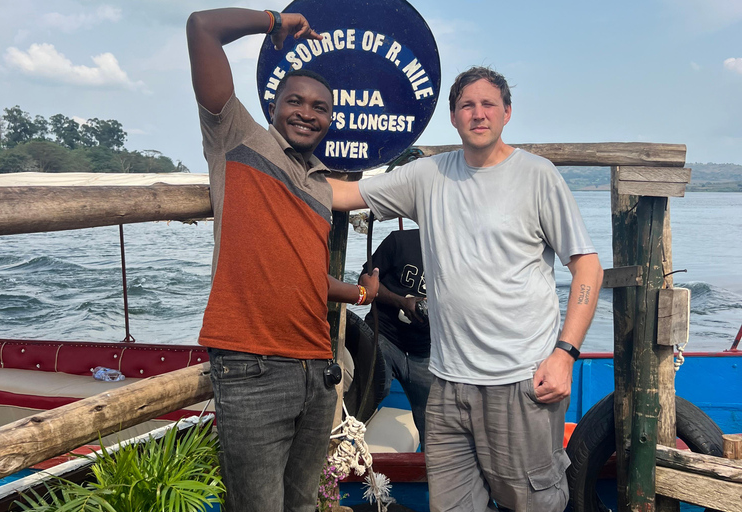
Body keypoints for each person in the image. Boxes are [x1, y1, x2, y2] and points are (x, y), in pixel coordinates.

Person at [329, 66, 604, 512]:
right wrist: (277, 171)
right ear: (454, 118)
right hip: (447, 385)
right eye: (467, 106)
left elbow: (588, 268)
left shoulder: (538, 175)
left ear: (507, 113)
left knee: (534, 504)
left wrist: (565, 354)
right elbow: (345, 195)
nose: (478, 114)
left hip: (521, 380)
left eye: (488, 104)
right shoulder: (427, 175)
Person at [186, 8, 379, 512]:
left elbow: (304, 277)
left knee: (301, 505)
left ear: (330, 120)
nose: (306, 112)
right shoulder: (237, 138)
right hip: (251, 366)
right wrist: (273, 20)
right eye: (295, 101)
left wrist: (362, 293)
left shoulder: (319, 184)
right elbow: (201, 27)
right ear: (273, 106)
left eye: (319, 107)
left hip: (317, 368)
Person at [361, 228, 433, 449]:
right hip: (384, 334)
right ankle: (341, 456)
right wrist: (401, 301)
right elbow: (365, 279)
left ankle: (430, 475)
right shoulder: (400, 241)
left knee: (434, 424)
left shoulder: (460, 258)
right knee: (370, 392)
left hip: (425, 351)